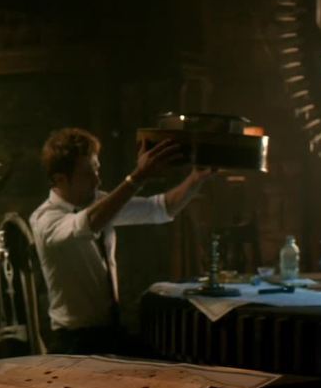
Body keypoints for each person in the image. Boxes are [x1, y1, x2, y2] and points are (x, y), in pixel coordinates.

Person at [29, 127, 211, 355]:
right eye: (87, 174)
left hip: (111, 331)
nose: (97, 180)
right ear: (60, 179)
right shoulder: (45, 219)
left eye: (97, 169)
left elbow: (160, 208)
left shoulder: (99, 202)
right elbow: (88, 223)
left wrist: (197, 177)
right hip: (74, 341)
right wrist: (138, 176)